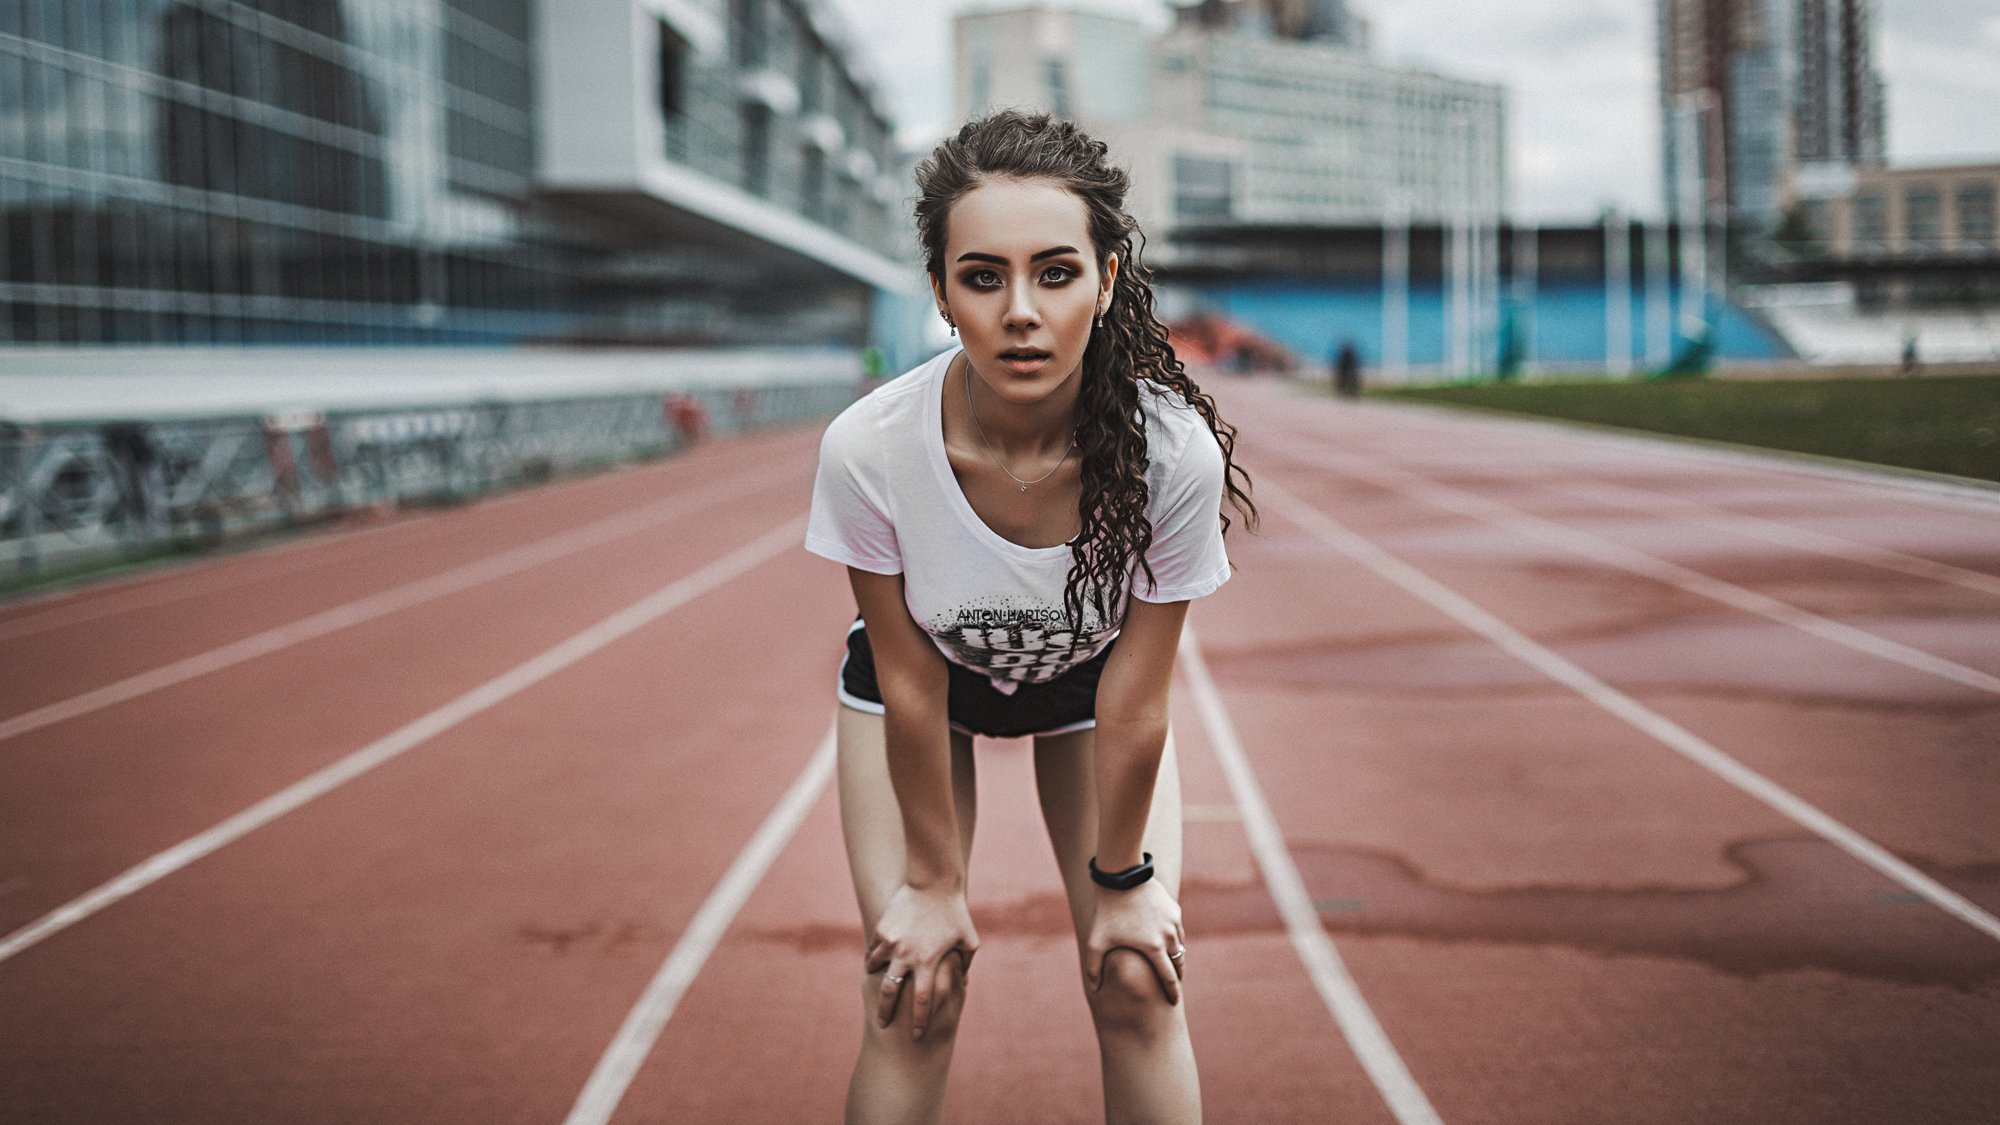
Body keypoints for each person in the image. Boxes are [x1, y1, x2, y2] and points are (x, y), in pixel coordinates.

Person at [804, 110, 1257, 1124]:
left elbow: (1137, 696)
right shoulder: (869, 449)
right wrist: (931, 883)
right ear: (939, 292)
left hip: (1090, 688)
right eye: (981, 276)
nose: (1019, 311)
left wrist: (1125, 878)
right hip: (916, 685)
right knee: (911, 992)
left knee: (1140, 978)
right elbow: (911, 679)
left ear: (1104, 282)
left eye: (1053, 273)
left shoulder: (1168, 454)